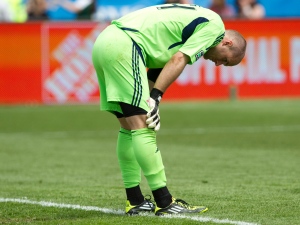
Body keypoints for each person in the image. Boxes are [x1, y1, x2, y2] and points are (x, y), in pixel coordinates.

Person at [92, 3, 246, 216]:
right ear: (226, 42)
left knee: (129, 125)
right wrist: (155, 98)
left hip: (105, 42)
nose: (219, 64)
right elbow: (178, 59)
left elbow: (159, 66)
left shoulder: (193, 24)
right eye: (225, 60)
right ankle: (164, 202)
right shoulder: (215, 27)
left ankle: (135, 200)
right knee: (143, 126)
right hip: (125, 45)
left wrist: (152, 98)